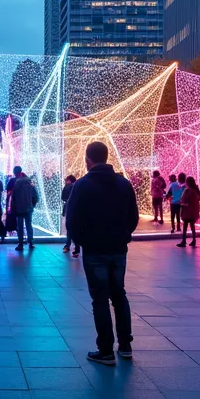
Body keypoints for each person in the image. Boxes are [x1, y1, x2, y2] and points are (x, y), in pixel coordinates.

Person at [66, 141, 139, 366]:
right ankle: (125, 345)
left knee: (99, 298)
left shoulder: (81, 185)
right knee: (119, 295)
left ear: (88, 159)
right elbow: (133, 218)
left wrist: (83, 240)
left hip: (95, 250)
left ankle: (105, 349)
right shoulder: (124, 184)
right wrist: (123, 235)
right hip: (118, 249)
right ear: (106, 157)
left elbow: (71, 220)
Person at [6, 166, 39, 250]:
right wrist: (32, 205)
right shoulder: (29, 182)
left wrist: (11, 208)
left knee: (20, 226)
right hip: (29, 207)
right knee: (29, 225)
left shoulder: (16, 182)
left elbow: (13, 197)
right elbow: (35, 196)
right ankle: (31, 242)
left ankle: (21, 244)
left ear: (14, 172)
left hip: (19, 208)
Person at [177, 176, 200, 247]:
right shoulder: (196, 190)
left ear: (187, 183)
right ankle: (194, 240)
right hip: (193, 211)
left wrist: (181, 204)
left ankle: (184, 241)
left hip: (187, 211)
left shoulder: (188, 191)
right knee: (192, 226)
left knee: (185, 226)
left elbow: (184, 200)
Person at [61, 174, 81, 257]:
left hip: (69, 210)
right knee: (76, 229)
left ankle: (67, 246)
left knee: (69, 229)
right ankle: (77, 248)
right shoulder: (79, 186)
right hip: (78, 211)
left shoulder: (67, 187)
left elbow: (63, 197)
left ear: (69, 180)